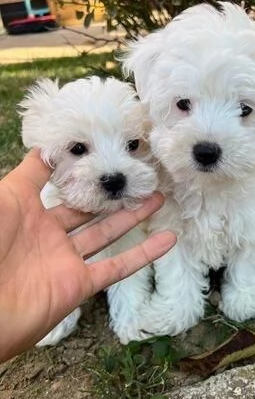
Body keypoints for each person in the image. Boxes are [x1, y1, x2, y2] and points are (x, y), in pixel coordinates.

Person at [0, 149, 176, 363]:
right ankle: (59, 314)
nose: (111, 171)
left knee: (127, 249)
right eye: (78, 149)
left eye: (131, 144)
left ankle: (130, 309)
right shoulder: (39, 212)